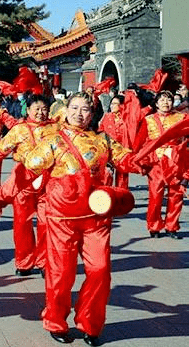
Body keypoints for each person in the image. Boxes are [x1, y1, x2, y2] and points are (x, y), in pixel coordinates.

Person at [23, 92, 138, 345]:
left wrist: (143, 159)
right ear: (65, 111)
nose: (78, 113)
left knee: (100, 270)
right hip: (61, 217)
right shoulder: (52, 140)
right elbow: (30, 162)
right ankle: (55, 320)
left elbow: (125, 159)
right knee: (61, 273)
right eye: (74, 108)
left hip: (95, 218)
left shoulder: (103, 141)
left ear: (92, 113)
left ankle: (90, 322)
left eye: (85, 109)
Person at [0, 94, 57, 276]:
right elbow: (0, 150)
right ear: (28, 110)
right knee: (22, 223)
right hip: (23, 182)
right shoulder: (19, 129)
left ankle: (45, 262)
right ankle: (24, 262)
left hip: (48, 182)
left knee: (46, 223)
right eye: (36, 109)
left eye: (44, 109)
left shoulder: (55, 128)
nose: (41, 112)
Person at [136, 90, 186, 239]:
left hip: (175, 160)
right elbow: (140, 141)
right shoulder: (148, 119)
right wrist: (140, 160)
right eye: (162, 100)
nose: (166, 102)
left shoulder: (181, 117)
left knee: (176, 195)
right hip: (156, 162)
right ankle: (154, 226)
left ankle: (172, 226)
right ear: (156, 103)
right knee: (155, 195)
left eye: (169, 99)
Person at [97, 94, 131, 189]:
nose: (112, 105)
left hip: (123, 151)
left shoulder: (127, 119)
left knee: (122, 178)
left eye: (115, 103)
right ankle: (106, 197)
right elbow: (101, 132)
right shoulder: (107, 117)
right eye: (111, 103)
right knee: (107, 175)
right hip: (109, 150)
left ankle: (121, 199)